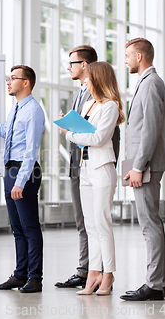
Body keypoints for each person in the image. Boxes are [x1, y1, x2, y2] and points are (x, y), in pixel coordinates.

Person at [0, 65, 45, 293]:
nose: (9, 82)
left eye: (14, 78)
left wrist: (20, 182)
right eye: (9, 78)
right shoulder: (17, 109)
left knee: (30, 227)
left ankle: (35, 277)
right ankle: (20, 274)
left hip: (25, 172)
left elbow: (31, 151)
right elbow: (6, 132)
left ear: (26, 83)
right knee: (17, 228)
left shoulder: (33, 110)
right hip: (10, 170)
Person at [58, 61, 125, 296]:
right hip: (85, 168)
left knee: (103, 223)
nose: (85, 80)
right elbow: (86, 131)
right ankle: (94, 272)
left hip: (102, 168)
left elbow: (97, 138)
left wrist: (70, 135)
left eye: (88, 77)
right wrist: (70, 124)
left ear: (98, 78)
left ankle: (109, 274)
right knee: (91, 225)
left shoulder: (111, 106)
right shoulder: (88, 103)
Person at [120, 38, 165, 301]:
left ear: (140, 57)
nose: (125, 59)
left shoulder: (150, 83)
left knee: (149, 224)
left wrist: (138, 166)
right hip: (143, 163)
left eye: (128, 55)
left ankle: (154, 284)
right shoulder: (146, 82)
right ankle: (160, 282)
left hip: (146, 165)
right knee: (152, 223)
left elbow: (150, 129)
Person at [54, 45, 97, 289]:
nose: (68, 68)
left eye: (72, 63)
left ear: (84, 65)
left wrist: (70, 129)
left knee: (93, 222)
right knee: (81, 221)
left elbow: (101, 132)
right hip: (76, 164)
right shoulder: (78, 93)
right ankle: (83, 271)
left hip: (91, 163)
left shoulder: (99, 92)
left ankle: (95, 271)